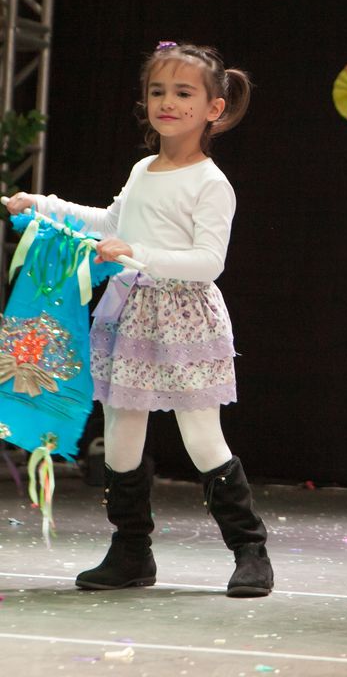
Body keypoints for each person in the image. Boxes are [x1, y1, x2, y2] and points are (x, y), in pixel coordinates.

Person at [5, 42, 272, 598]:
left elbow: (208, 263)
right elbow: (110, 223)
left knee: (203, 440)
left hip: (184, 320)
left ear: (214, 108)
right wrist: (44, 205)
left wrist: (137, 254)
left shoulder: (211, 183)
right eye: (157, 92)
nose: (167, 103)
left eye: (182, 93)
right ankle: (130, 551)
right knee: (122, 438)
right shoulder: (143, 169)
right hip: (129, 315)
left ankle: (250, 550)